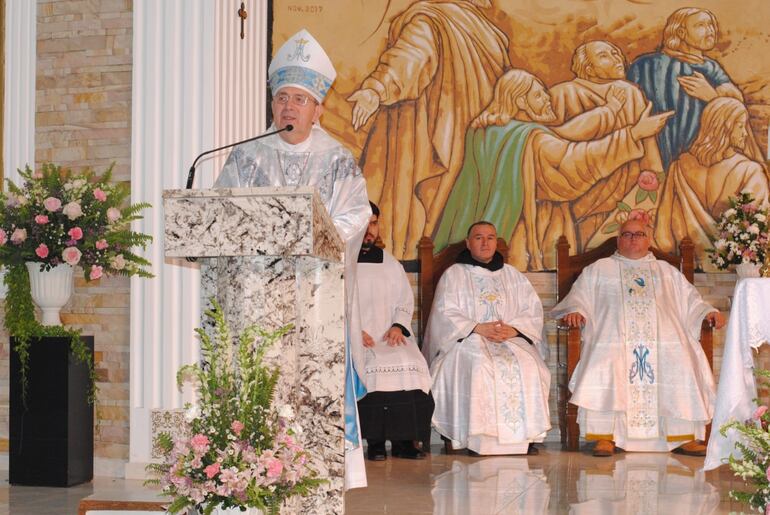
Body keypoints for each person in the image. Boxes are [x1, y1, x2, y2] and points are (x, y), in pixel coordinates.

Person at [214, 29, 371, 489]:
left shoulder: (338, 159)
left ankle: (319, 474)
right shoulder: (245, 157)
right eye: (282, 97)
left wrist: (310, 239)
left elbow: (355, 215)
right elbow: (220, 212)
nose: (288, 107)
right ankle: (254, 469)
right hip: (258, 298)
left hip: (316, 298)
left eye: (299, 99)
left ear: (317, 109)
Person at [432, 68, 672, 270]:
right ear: (521, 101)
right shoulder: (530, 138)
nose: (547, 100)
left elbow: (564, 134)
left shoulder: (487, 131)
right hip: (523, 232)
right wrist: (634, 134)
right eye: (539, 96)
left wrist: (609, 111)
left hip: (495, 228)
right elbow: (572, 161)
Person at [348, 0, 510, 259]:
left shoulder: (481, 27)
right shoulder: (431, 19)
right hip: (442, 134)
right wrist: (376, 89)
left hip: (473, 139)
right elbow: (411, 56)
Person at [551, 219, 726, 457]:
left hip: (666, 339)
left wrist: (708, 312)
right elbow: (578, 297)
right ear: (618, 239)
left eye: (639, 234)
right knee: (605, 360)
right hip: (612, 336)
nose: (633, 238)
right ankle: (605, 436)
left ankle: (682, 436)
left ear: (649, 240)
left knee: (681, 360)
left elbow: (691, 301)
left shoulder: (666, 271)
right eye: (627, 234)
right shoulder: (599, 269)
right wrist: (576, 311)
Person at [423, 221, 551, 455]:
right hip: (469, 338)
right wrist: (477, 327)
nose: (485, 242)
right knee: (480, 365)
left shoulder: (513, 275)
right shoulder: (454, 274)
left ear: (496, 242)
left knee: (530, 366)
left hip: (510, 338)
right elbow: (445, 311)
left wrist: (514, 330)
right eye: (479, 237)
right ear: (468, 243)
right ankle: (478, 436)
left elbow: (531, 310)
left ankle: (524, 437)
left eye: (490, 237)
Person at [550, 41, 664, 249]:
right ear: (588, 67)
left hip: (626, 192)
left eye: (615, 52)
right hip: (585, 194)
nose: (616, 58)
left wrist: (654, 176)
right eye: (604, 55)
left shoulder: (631, 93)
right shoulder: (563, 94)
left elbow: (648, 145)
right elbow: (556, 148)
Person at [627, 7, 761, 170]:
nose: (710, 31)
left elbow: (736, 109)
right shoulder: (644, 65)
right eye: (700, 25)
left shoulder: (712, 69)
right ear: (681, 33)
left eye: (711, 25)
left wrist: (712, 97)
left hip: (697, 162)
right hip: (652, 155)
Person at [356, 202, 434, 461]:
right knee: (368, 365)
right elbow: (334, 302)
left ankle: (405, 442)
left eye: (374, 223)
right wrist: (353, 332)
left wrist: (398, 325)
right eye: (364, 223)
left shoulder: (390, 264)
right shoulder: (341, 262)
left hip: (389, 335)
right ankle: (375, 442)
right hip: (360, 338)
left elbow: (404, 300)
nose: (370, 230)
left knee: (410, 361)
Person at [654, 97, 769, 261]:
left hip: (685, 266)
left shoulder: (679, 166)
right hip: (733, 268)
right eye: (741, 126)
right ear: (725, 127)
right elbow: (759, 230)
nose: (745, 133)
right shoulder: (750, 171)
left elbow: (663, 233)